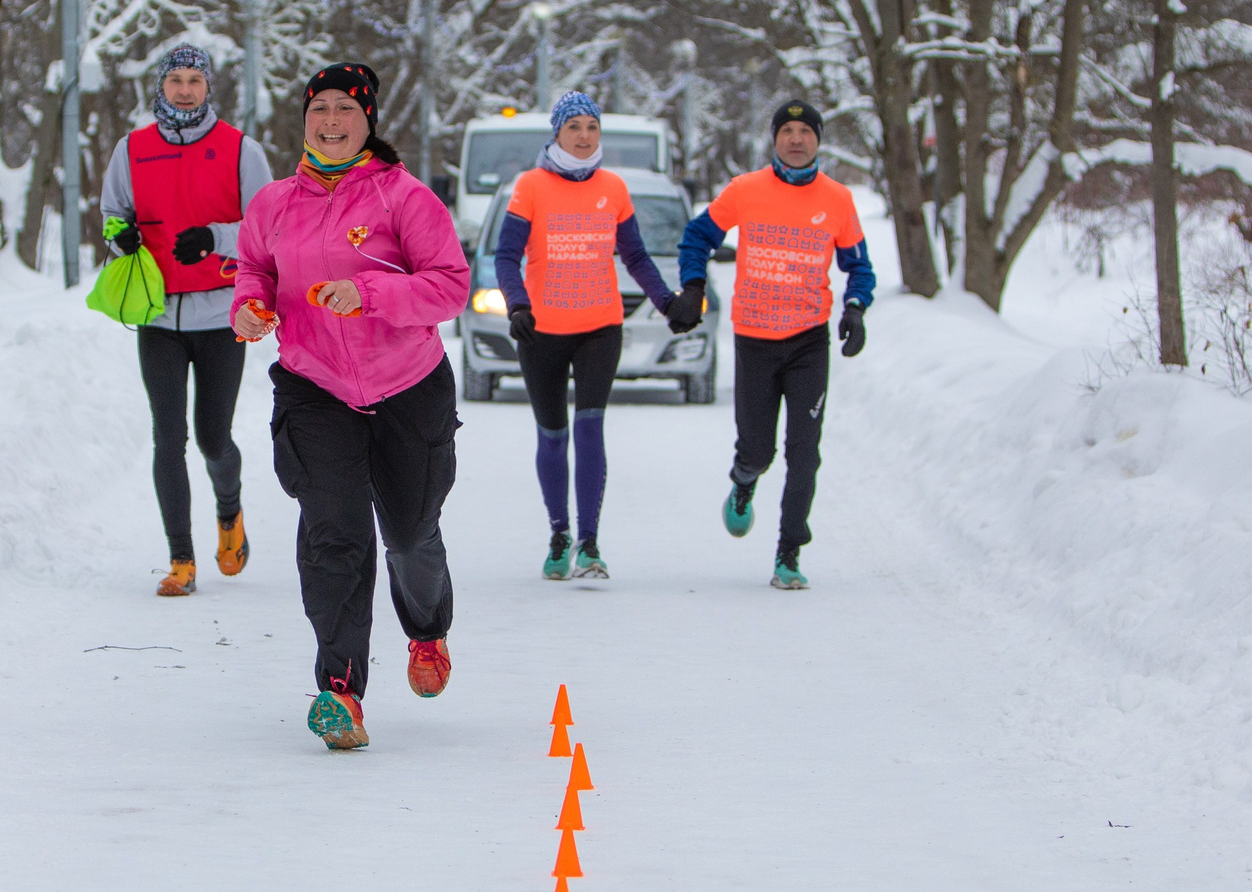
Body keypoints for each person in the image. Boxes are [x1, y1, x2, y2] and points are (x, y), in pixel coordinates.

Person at [231, 63, 470, 750]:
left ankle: (426, 631)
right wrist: (248, 308)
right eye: (319, 110)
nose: (330, 122)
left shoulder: (405, 198)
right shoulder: (274, 202)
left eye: (344, 110)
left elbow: (451, 288)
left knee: (409, 532)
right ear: (304, 119)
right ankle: (340, 692)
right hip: (315, 385)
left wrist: (370, 295)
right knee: (334, 534)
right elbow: (255, 269)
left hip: (408, 384)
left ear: (368, 122)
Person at [669, 98, 874, 589]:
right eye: (788, 131)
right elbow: (696, 237)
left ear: (818, 140)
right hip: (755, 338)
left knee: (804, 450)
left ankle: (788, 552)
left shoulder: (838, 199)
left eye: (806, 131)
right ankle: (744, 481)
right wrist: (694, 285)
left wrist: (855, 308)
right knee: (758, 449)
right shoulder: (746, 190)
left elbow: (858, 265)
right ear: (775, 139)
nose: (797, 139)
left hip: (808, 340)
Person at [102, 44, 273, 597]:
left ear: (208, 87)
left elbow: (268, 228)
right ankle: (181, 561)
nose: (183, 89)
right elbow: (110, 216)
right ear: (161, 85)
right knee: (167, 437)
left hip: (223, 314)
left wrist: (216, 238)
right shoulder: (131, 149)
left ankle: (230, 512)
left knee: (212, 438)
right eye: (174, 79)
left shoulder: (240, 149)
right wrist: (119, 238)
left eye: (193, 79)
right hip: (156, 314)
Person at [495, 89, 679, 582]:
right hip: (541, 331)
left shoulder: (614, 188)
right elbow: (506, 256)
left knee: (591, 428)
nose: (583, 136)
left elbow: (635, 257)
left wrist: (668, 303)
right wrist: (517, 305)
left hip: (600, 326)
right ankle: (558, 536)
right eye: (573, 127)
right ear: (556, 133)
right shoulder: (530, 185)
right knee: (553, 436)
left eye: (591, 127)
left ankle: (589, 543)